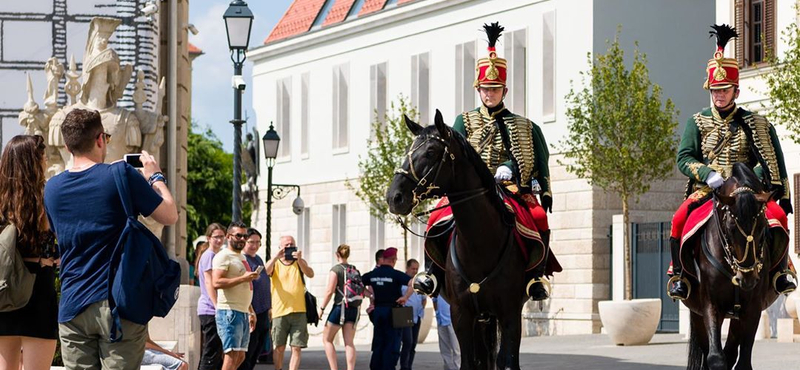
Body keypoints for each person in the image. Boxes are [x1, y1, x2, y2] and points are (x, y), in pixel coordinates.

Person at [414, 22, 558, 301]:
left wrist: (514, 170)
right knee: (435, 217)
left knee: (538, 217)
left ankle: (535, 277)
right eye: (484, 89)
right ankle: (431, 273)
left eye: (494, 89)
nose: (489, 94)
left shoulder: (524, 126)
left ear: (504, 91)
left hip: (509, 189)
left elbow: (538, 157)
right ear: (478, 90)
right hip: (468, 190)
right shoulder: (463, 122)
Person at [667, 24, 795, 300]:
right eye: (714, 90)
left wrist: (749, 178)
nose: (719, 95)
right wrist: (707, 174)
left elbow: (770, 160)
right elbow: (684, 157)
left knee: (779, 218)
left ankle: (780, 272)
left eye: (724, 90)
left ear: (735, 91)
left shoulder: (755, 123)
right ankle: (679, 275)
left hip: (746, 192)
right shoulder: (697, 122)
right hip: (708, 189)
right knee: (678, 220)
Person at [44, 108, 177, 369]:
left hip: (72, 306)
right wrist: (156, 177)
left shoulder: (52, 188)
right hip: (118, 302)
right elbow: (169, 214)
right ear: (100, 139)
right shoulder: (121, 175)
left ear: (68, 146)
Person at [0, 135, 59, 370]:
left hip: (4, 292)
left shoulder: (2, 203)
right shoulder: (45, 200)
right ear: (33, 163)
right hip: (38, 290)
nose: (45, 160)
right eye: (42, 157)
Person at [212, 221, 259, 370]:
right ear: (228, 236)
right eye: (238, 235)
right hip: (229, 312)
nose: (242, 239)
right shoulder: (223, 256)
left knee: (240, 356)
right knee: (231, 356)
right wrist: (243, 278)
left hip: (242, 312)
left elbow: (245, 286)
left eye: (245, 236)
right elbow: (216, 282)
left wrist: (250, 311)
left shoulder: (241, 257)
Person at [265, 235, 315, 370]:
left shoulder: (299, 262)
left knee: (297, 347)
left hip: (299, 311)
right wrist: (275, 257)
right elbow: (265, 271)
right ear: (280, 247)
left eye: (292, 244)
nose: (289, 247)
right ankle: (279, 368)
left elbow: (310, 274)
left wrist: (299, 260)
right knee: (279, 347)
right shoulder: (275, 263)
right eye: (286, 245)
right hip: (279, 311)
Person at [362, 247, 414, 370]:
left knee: (379, 343)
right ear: (393, 259)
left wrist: (370, 295)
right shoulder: (396, 275)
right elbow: (413, 282)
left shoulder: (373, 274)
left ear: (383, 259)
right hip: (393, 313)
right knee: (392, 344)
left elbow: (357, 283)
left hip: (378, 311)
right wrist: (405, 297)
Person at [318, 244, 360, 370]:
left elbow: (329, 291)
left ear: (337, 255)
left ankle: (334, 368)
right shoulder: (354, 269)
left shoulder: (335, 270)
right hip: (353, 307)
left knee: (327, 339)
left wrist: (322, 308)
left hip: (340, 308)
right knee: (349, 342)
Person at [238, 228, 271, 370]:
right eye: (251, 242)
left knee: (258, 347)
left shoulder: (258, 259)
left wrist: (269, 307)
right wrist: (250, 311)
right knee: (249, 349)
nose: (255, 245)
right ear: (245, 241)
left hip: (263, 310)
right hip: (251, 311)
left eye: (258, 242)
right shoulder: (242, 260)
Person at [197, 223, 226, 370]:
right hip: (210, 310)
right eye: (216, 237)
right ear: (209, 238)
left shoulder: (216, 255)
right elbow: (209, 282)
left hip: (213, 309)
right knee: (211, 353)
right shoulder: (209, 256)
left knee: (216, 353)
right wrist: (217, 307)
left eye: (222, 237)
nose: (220, 240)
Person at [400, 259, 426, 370]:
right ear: (407, 268)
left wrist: (421, 308)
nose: (415, 271)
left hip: (417, 315)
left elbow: (424, 298)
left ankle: (409, 366)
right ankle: (404, 367)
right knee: (407, 342)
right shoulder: (402, 280)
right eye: (413, 269)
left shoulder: (419, 281)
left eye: (416, 269)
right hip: (405, 314)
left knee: (413, 344)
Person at [432, 296, 459, 370]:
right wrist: (437, 312)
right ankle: (448, 367)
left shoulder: (452, 288)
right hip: (441, 320)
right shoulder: (439, 289)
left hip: (453, 320)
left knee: (456, 348)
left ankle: (458, 367)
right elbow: (434, 301)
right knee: (444, 349)